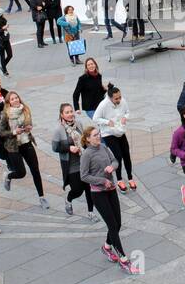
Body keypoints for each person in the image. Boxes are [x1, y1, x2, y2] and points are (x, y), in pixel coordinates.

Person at [80, 124, 135, 272]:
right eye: (94, 135)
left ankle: (106, 247)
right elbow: (84, 176)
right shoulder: (87, 154)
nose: (98, 136)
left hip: (111, 190)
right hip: (98, 193)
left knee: (118, 224)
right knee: (112, 226)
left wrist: (113, 167)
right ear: (87, 139)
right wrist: (102, 180)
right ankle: (123, 259)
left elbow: (116, 160)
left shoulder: (104, 147)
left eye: (98, 134)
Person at [0, 91, 50, 211]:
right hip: (13, 146)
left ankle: (42, 197)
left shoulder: (25, 110)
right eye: (12, 99)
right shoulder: (6, 114)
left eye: (16, 98)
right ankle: (9, 175)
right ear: (8, 102)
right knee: (21, 173)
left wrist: (28, 127)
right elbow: (1, 132)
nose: (15, 100)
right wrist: (14, 132)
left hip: (26, 142)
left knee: (35, 170)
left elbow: (29, 123)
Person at [51, 103, 94, 218]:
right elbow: (55, 148)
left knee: (89, 188)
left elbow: (84, 140)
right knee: (78, 190)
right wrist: (68, 148)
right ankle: (69, 199)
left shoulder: (78, 124)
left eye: (71, 111)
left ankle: (91, 212)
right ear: (62, 114)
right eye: (67, 112)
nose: (70, 114)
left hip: (84, 161)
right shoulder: (58, 130)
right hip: (71, 165)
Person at [93, 83, 136, 191]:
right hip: (108, 133)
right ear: (110, 98)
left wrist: (125, 118)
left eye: (120, 97)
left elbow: (127, 112)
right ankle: (120, 180)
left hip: (120, 131)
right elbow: (95, 118)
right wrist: (107, 122)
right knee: (118, 156)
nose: (119, 100)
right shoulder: (103, 105)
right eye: (116, 99)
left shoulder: (122, 101)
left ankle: (130, 178)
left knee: (126, 153)